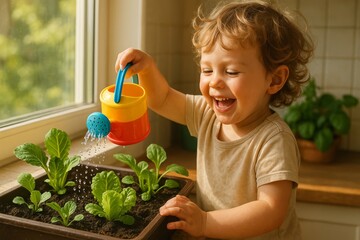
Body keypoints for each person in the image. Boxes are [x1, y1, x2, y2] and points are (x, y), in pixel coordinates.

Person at [115, 1, 314, 239]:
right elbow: (164, 99)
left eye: (231, 72)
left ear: (274, 80)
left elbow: (271, 210)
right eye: (207, 70)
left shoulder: (274, 140)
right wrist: (146, 69)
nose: (215, 82)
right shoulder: (207, 114)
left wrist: (206, 221)